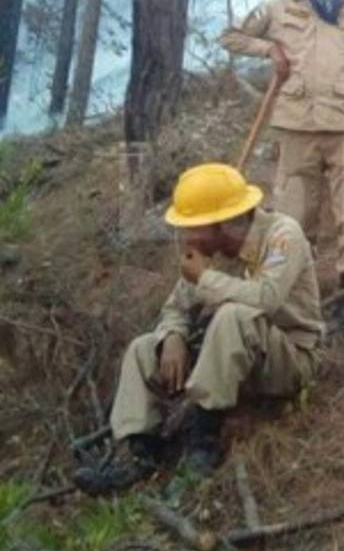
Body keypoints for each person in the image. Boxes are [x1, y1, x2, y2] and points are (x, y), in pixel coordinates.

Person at [72, 163, 324, 496]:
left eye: (193, 227)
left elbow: (267, 298)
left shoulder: (282, 235)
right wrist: (172, 336)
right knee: (144, 347)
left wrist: (205, 279)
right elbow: (175, 308)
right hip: (237, 363)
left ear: (222, 224)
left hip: (289, 361)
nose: (186, 237)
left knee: (234, 315)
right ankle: (142, 453)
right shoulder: (212, 252)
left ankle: (203, 442)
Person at [220, 0, 344, 331]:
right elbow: (230, 36)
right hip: (296, 129)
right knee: (293, 220)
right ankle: (298, 304)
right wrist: (269, 48)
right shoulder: (277, 11)